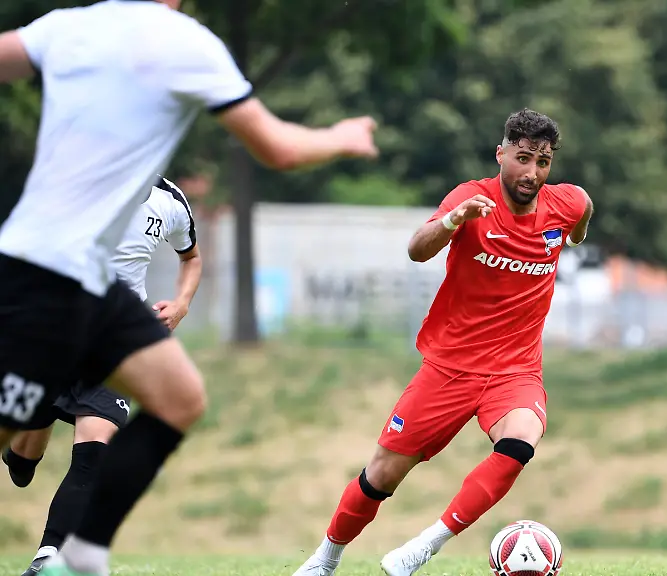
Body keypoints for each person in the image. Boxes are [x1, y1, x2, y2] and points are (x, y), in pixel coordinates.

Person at [0, 1, 378, 574]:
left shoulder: (72, 25)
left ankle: (78, 557)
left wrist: (179, 302)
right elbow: (277, 147)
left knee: (179, 397)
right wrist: (340, 137)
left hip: (91, 284)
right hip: (43, 271)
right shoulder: (184, 43)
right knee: (20, 434)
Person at [292, 108, 594, 576]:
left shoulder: (567, 203)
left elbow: (583, 210)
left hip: (515, 371)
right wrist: (453, 220)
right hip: (449, 367)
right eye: (523, 158)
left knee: (520, 442)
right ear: (501, 154)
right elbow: (417, 250)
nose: (532, 173)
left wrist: (576, 237)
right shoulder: (471, 198)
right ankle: (324, 560)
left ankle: (424, 546)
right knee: (381, 475)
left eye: (543, 162)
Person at [3, 175, 202, 576]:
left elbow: (191, 257)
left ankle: (48, 558)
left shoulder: (170, 200)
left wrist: (181, 303)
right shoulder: (82, 180)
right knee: (22, 465)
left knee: (96, 447)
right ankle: (30, 434)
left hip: (115, 340)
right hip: (53, 329)